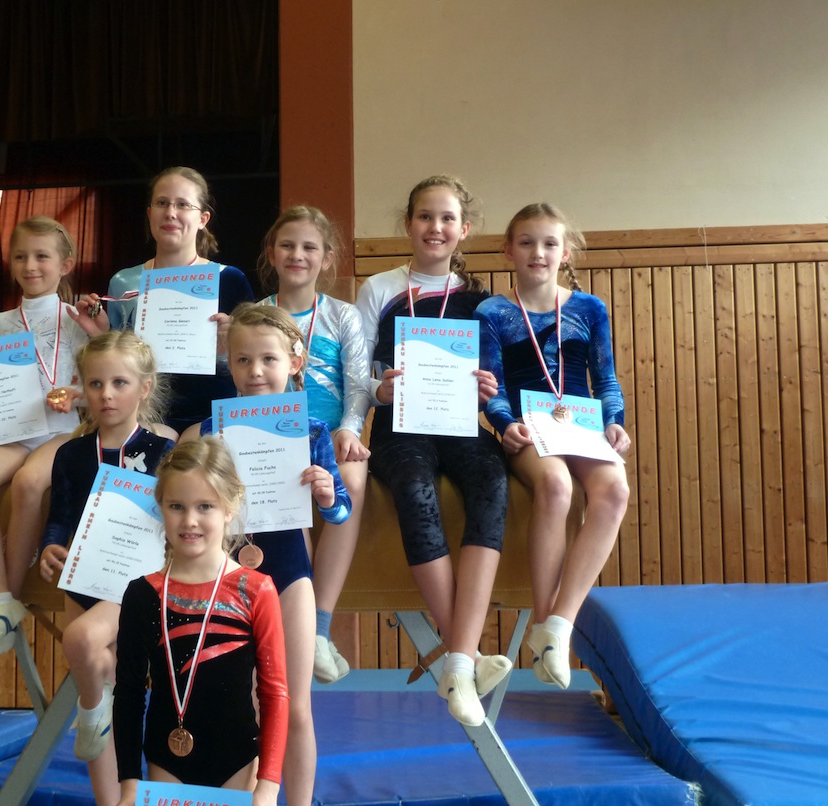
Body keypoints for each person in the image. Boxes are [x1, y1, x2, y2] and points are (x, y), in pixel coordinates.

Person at [355, 175, 511, 727]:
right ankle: (465, 659)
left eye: (447, 218)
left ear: (464, 229)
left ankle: (457, 660)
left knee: (493, 481)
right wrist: (379, 389)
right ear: (408, 224)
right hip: (399, 429)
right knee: (414, 487)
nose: (435, 227)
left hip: (460, 425)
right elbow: (358, 371)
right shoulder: (379, 289)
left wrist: (490, 389)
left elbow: (497, 376)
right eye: (425, 216)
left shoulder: (484, 301)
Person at [180, 304, 350, 806]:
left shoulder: (311, 431)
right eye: (243, 360)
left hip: (289, 574)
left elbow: (342, 511)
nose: (255, 371)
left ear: (294, 362)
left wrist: (326, 494)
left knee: (294, 707)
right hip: (226, 579)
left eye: (268, 359)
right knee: (243, 709)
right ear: (229, 365)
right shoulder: (208, 432)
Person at [475, 202, 630, 689]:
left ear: (565, 253)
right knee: (557, 486)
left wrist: (615, 422)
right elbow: (491, 384)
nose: (537, 253)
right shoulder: (493, 312)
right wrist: (504, 424)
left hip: (580, 424)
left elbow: (605, 378)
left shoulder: (589, 309)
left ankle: (558, 625)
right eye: (526, 243)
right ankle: (544, 620)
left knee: (615, 491)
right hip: (529, 426)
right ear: (508, 250)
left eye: (548, 244)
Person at [0, 216, 107, 657]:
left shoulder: (80, 318)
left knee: (30, 482)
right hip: (16, 432)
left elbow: (103, 378)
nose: (30, 265)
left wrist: (76, 392)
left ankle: (11, 596)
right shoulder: (1, 322)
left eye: (41, 256)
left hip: (64, 431)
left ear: (65, 264)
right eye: (20, 256)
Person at [37, 330, 175, 804]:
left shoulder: (162, 452)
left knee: (81, 644)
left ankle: (90, 713)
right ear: (82, 388)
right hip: (83, 580)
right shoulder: (71, 454)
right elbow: (60, 516)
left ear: (145, 387)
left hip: (134, 584)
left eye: (119, 383)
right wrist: (49, 548)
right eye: (95, 384)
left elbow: (174, 516)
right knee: (98, 672)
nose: (106, 394)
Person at [114, 437, 288, 806]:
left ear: (229, 507)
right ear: (160, 506)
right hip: (167, 763)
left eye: (205, 506)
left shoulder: (255, 590)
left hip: (238, 764)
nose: (190, 520)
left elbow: (274, 694)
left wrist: (268, 787)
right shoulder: (143, 595)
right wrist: (129, 783)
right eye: (176, 506)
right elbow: (128, 694)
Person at [256, 206, 370, 683]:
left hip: (329, 435)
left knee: (353, 481)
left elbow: (358, 384)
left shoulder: (342, 315)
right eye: (287, 245)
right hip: (275, 435)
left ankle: (320, 628)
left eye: (309, 247)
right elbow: (244, 382)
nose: (297, 255)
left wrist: (349, 428)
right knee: (289, 503)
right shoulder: (257, 314)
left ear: (326, 258)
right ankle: (298, 625)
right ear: (271, 254)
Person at [105, 166, 255, 434]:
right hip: (141, 417)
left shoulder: (231, 280)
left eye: (183, 204)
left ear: (203, 219)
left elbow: (257, 366)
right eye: (162, 203)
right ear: (150, 213)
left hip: (213, 418)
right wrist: (100, 335)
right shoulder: (124, 282)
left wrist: (232, 347)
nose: (171, 212)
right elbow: (114, 366)